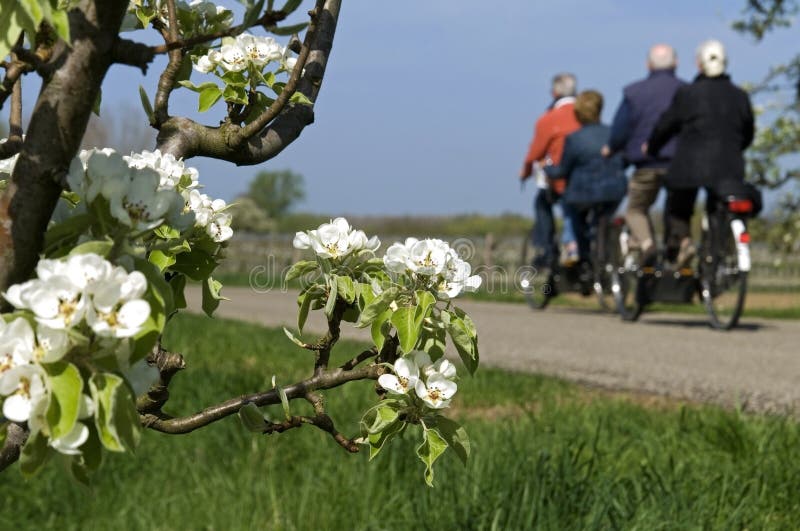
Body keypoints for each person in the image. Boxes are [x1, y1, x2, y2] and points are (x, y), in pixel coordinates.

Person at [647, 39, 754, 267]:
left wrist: (652, 147)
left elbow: (666, 126)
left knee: (678, 206)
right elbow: (748, 133)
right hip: (729, 166)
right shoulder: (740, 96)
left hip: (690, 166)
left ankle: (681, 241)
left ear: (699, 64)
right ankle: (716, 253)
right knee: (719, 208)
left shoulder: (688, 94)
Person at [603, 44, 686, 265]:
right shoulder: (686, 90)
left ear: (648, 64)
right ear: (676, 63)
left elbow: (620, 130)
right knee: (678, 209)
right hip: (678, 164)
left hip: (645, 164)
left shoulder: (633, 92)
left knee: (636, 209)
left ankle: (647, 244)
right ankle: (681, 248)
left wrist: (611, 147)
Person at [546, 90, 627, 265]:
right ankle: (607, 252)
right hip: (614, 192)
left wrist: (548, 169)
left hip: (582, 194)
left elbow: (562, 170)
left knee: (571, 211)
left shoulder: (575, 139)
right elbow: (624, 161)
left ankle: (578, 251)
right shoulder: (614, 134)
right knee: (604, 218)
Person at [519, 73, 581, 268]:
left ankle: (547, 249)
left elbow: (535, 153)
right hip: (589, 179)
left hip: (560, 181)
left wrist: (525, 172)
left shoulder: (548, 119)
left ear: (554, 92)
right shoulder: (586, 114)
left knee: (541, 203)